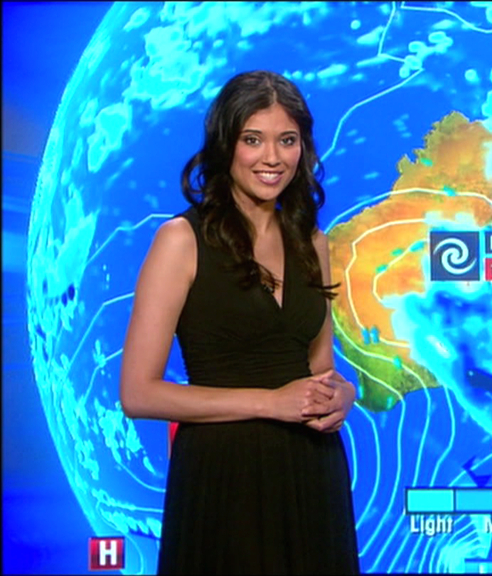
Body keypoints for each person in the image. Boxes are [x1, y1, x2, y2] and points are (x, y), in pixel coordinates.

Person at [119, 70, 361, 574]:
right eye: (253, 140)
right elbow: (139, 394)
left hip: (311, 472)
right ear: (226, 144)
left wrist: (344, 394)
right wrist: (269, 403)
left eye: (287, 140)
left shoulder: (312, 243)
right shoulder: (181, 241)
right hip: (224, 476)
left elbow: (320, 369)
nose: (272, 158)